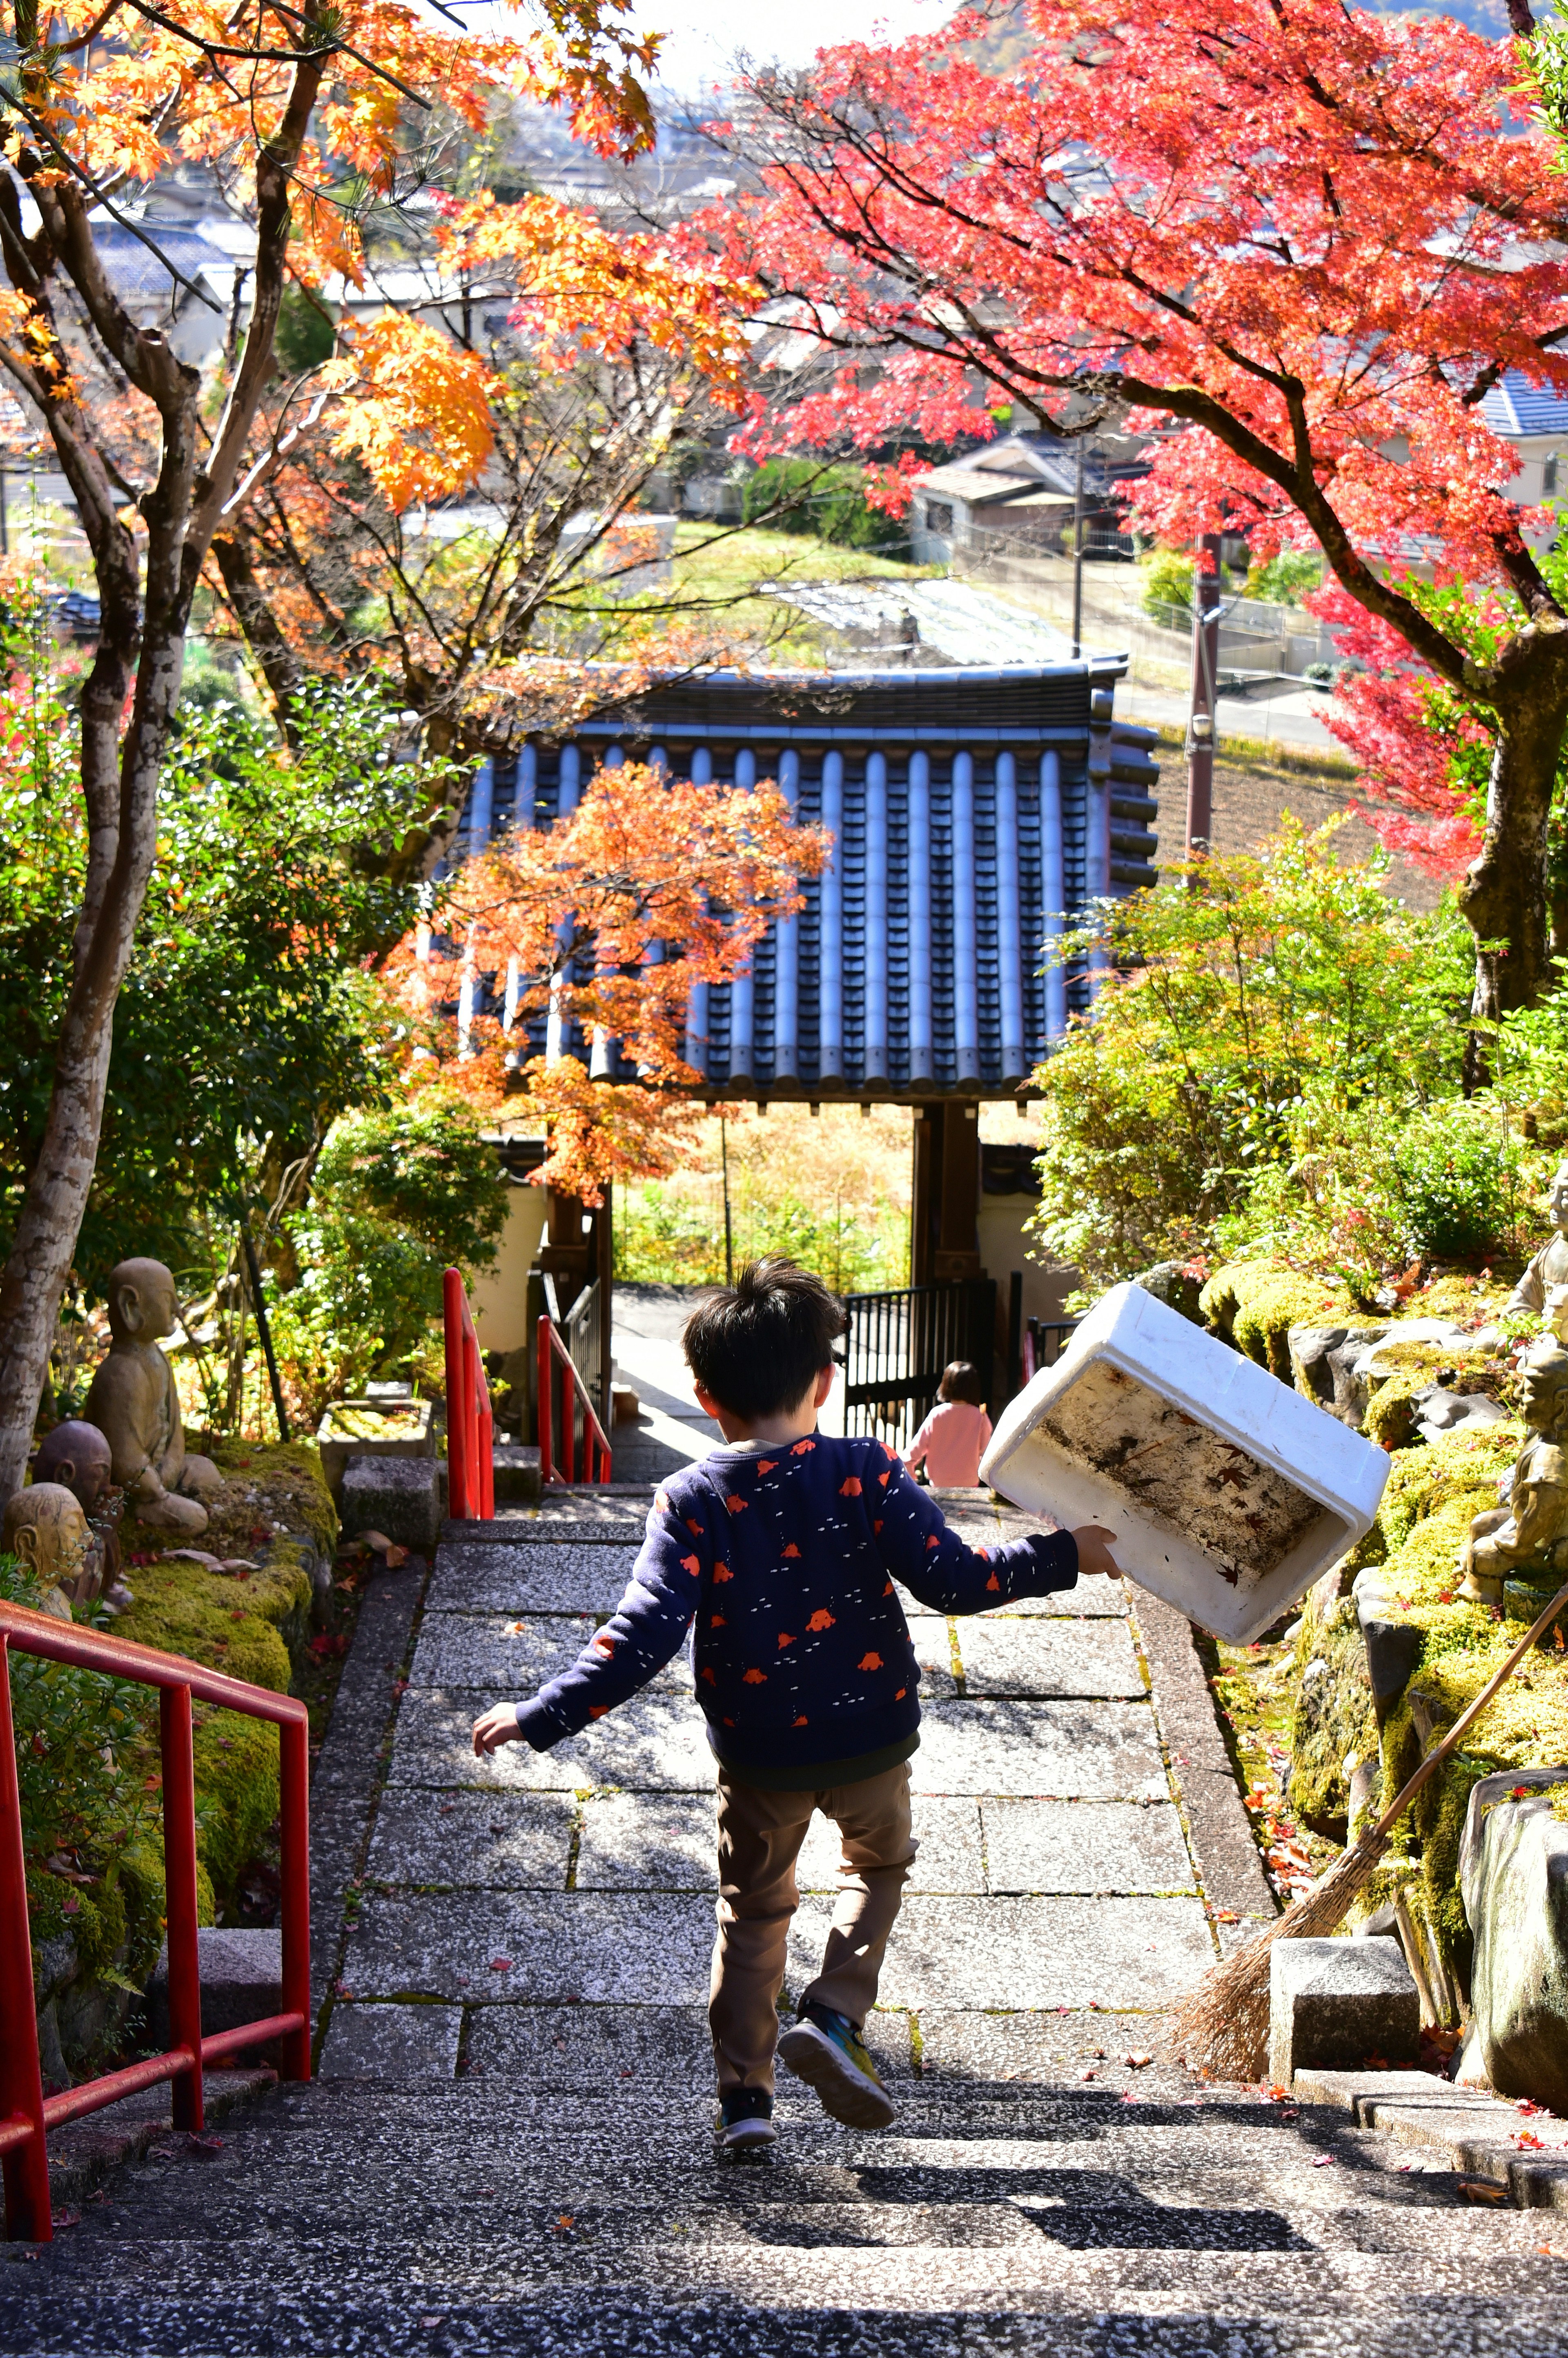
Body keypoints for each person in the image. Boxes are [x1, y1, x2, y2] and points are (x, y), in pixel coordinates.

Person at [471, 1258, 1120, 2159]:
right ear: (825, 1381)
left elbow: (646, 1630)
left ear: (704, 1396)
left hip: (762, 1754)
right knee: (879, 1867)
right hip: (873, 1739)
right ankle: (836, 2014)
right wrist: (1065, 1555)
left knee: (752, 1913)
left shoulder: (693, 1497)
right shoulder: (865, 1470)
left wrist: (543, 1714)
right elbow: (957, 1580)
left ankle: (746, 2099)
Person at [903, 1360, 993, 1489]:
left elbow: (916, 1449)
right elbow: (987, 1451)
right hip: (969, 1483)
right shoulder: (980, 1417)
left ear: (946, 1384)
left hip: (939, 1484)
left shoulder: (937, 1414)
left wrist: (910, 1471)